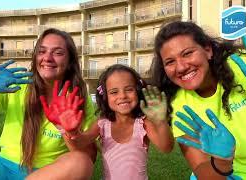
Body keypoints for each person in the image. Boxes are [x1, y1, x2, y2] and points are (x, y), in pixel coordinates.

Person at [0, 28, 97, 180]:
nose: (47, 58)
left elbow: (88, 158)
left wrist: (69, 132)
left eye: (58, 53)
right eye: (42, 51)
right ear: (35, 57)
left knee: (81, 163)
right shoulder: (17, 86)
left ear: (70, 61)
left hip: (49, 173)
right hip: (2, 167)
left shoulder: (77, 98)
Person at [150, 20, 246, 179]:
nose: (181, 67)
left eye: (187, 53)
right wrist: (222, 161)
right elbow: (203, 172)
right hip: (231, 173)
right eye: (170, 62)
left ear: (207, 50)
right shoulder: (180, 106)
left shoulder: (242, 66)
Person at [43, 64, 174, 180]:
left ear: (138, 90)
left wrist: (161, 122)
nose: (122, 96)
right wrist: (69, 130)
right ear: (105, 96)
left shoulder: (143, 123)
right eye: (114, 92)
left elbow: (166, 147)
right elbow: (80, 142)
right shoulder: (102, 124)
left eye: (129, 89)